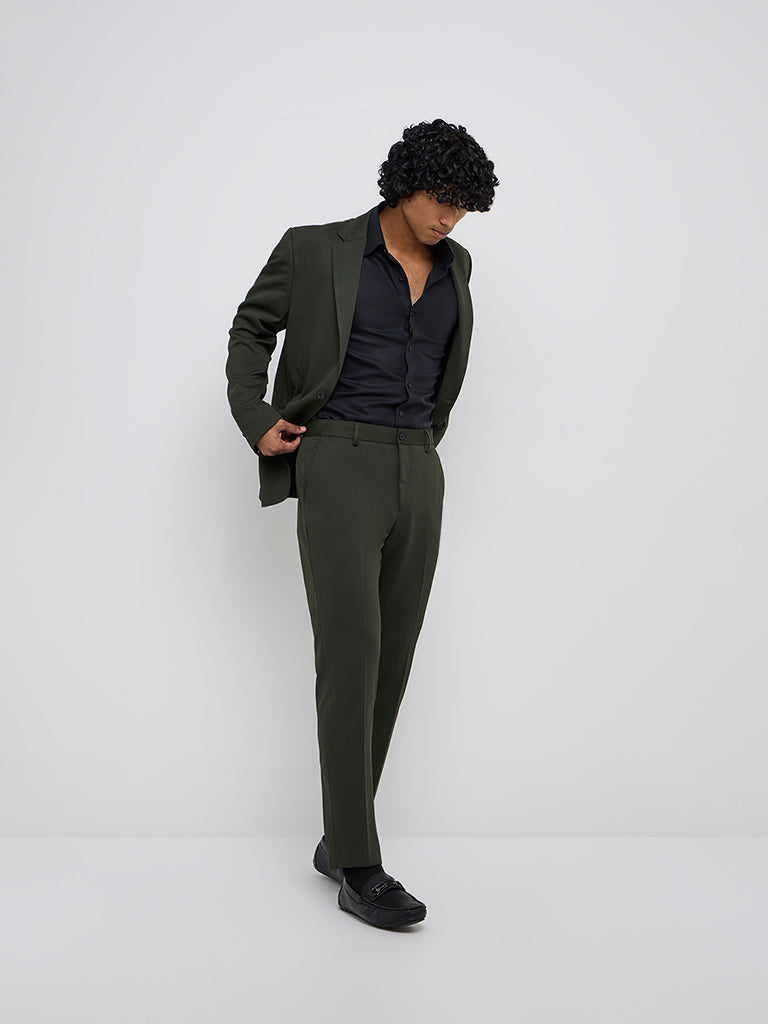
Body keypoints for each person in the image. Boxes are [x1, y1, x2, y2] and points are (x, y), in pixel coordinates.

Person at [226, 118, 498, 929]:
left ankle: (338, 837)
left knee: (393, 659)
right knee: (352, 656)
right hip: (339, 459)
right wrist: (257, 416)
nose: (450, 217)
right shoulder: (316, 249)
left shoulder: (457, 266)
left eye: (464, 206)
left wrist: (423, 452)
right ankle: (359, 863)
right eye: (441, 198)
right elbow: (251, 326)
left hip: (420, 465)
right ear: (404, 183)